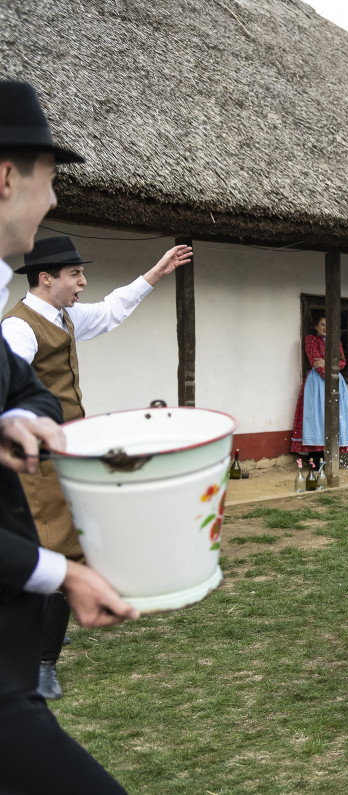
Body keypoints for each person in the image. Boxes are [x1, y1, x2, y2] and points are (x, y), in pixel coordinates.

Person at [0, 78, 140, 795]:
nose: (53, 198)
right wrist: (65, 575)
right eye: (49, 180)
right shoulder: (15, 320)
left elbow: (18, 388)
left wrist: (17, 417)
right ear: (5, 177)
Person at [1, 234, 190, 700]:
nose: (83, 282)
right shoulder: (17, 329)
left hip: (69, 452)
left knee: (60, 544)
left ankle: (41, 631)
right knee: (61, 548)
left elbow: (109, 312)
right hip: (37, 460)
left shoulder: (63, 316)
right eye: (74, 275)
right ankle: (42, 664)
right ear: (46, 279)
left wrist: (156, 273)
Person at [290, 316, 348, 468]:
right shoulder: (310, 339)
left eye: (328, 325)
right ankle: (315, 460)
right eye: (322, 324)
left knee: (334, 416)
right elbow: (314, 360)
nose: (325, 327)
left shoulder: (335, 341)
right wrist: (330, 370)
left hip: (334, 381)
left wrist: (326, 363)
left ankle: (330, 461)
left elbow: (342, 362)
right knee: (317, 417)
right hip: (317, 383)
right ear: (316, 326)